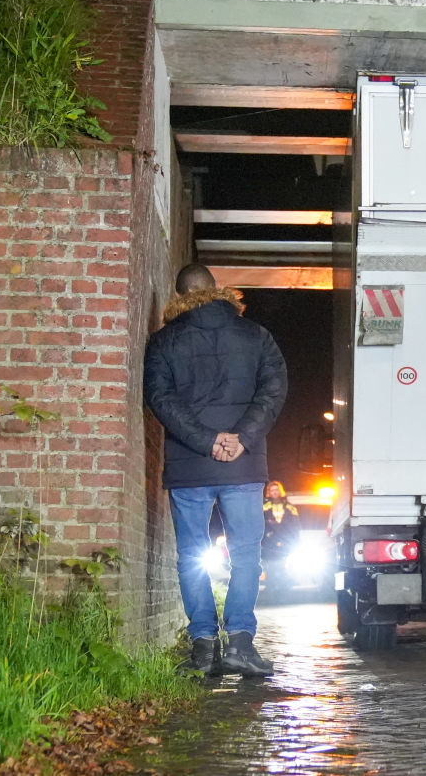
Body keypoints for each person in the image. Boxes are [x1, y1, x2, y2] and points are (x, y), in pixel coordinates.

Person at [144, 263, 289, 677]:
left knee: (191, 557)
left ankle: (203, 647)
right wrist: (241, 437)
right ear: (217, 290)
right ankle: (240, 644)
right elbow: (273, 391)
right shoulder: (257, 336)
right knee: (246, 556)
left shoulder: (164, 341)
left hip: (191, 465)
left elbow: (160, 398)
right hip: (243, 466)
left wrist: (206, 440)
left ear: (180, 294)